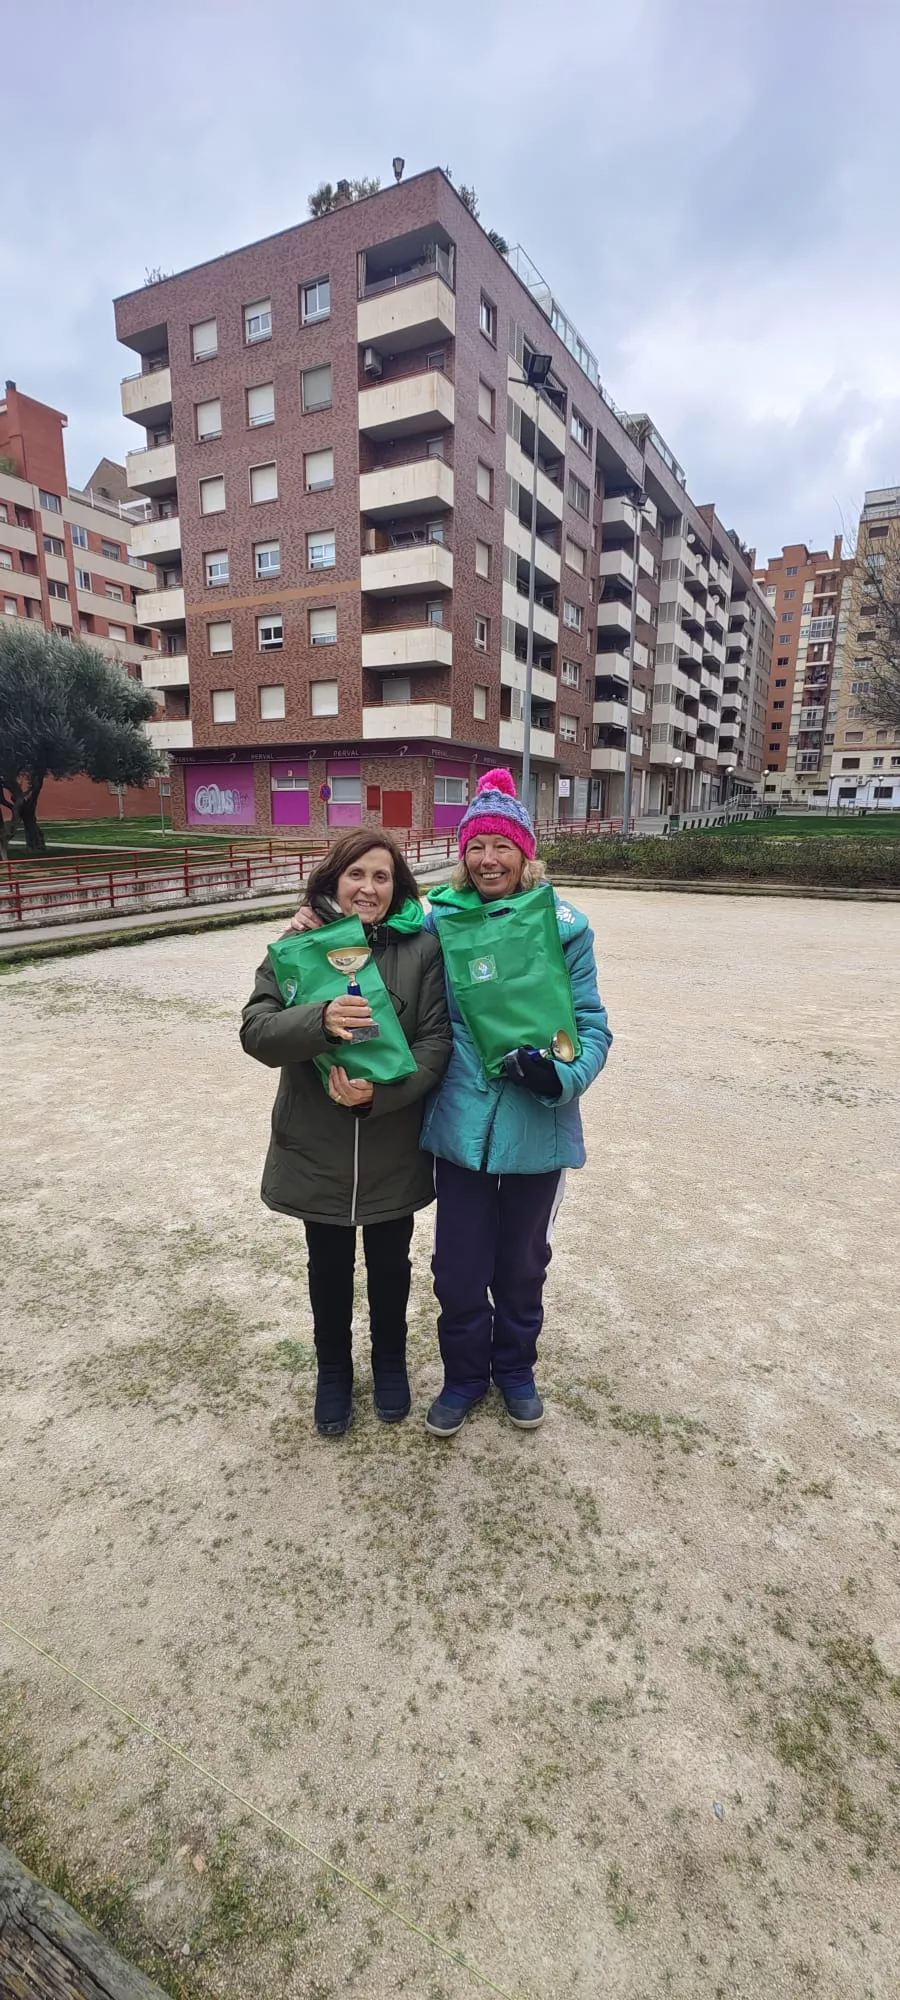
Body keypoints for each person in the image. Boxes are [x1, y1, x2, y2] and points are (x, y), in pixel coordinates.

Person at [240, 830, 451, 1438]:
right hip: (318, 1145)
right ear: (334, 880)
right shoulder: (301, 944)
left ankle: (390, 1363)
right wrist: (321, 1021)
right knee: (326, 1266)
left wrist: (378, 1096)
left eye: (382, 877)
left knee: (391, 1265)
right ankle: (332, 1370)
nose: (369, 887)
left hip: (391, 1144)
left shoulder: (421, 950)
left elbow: (437, 1043)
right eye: (357, 874)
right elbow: (257, 1032)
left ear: (397, 887)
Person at [421, 770, 611, 1437]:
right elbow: (372, 950)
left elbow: (592, 1026)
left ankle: (515, 1370)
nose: (488, 860)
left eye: (502, 846)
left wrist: (560, 1078)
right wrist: (313, 918)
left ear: (524, 853)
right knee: (458, 1267)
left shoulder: (564, 928)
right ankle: (465, 1376)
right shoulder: (435, 921)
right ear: (462, 852)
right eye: (477, 847)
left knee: (523, 1264)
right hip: (462, 1125)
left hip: (538, 1128)